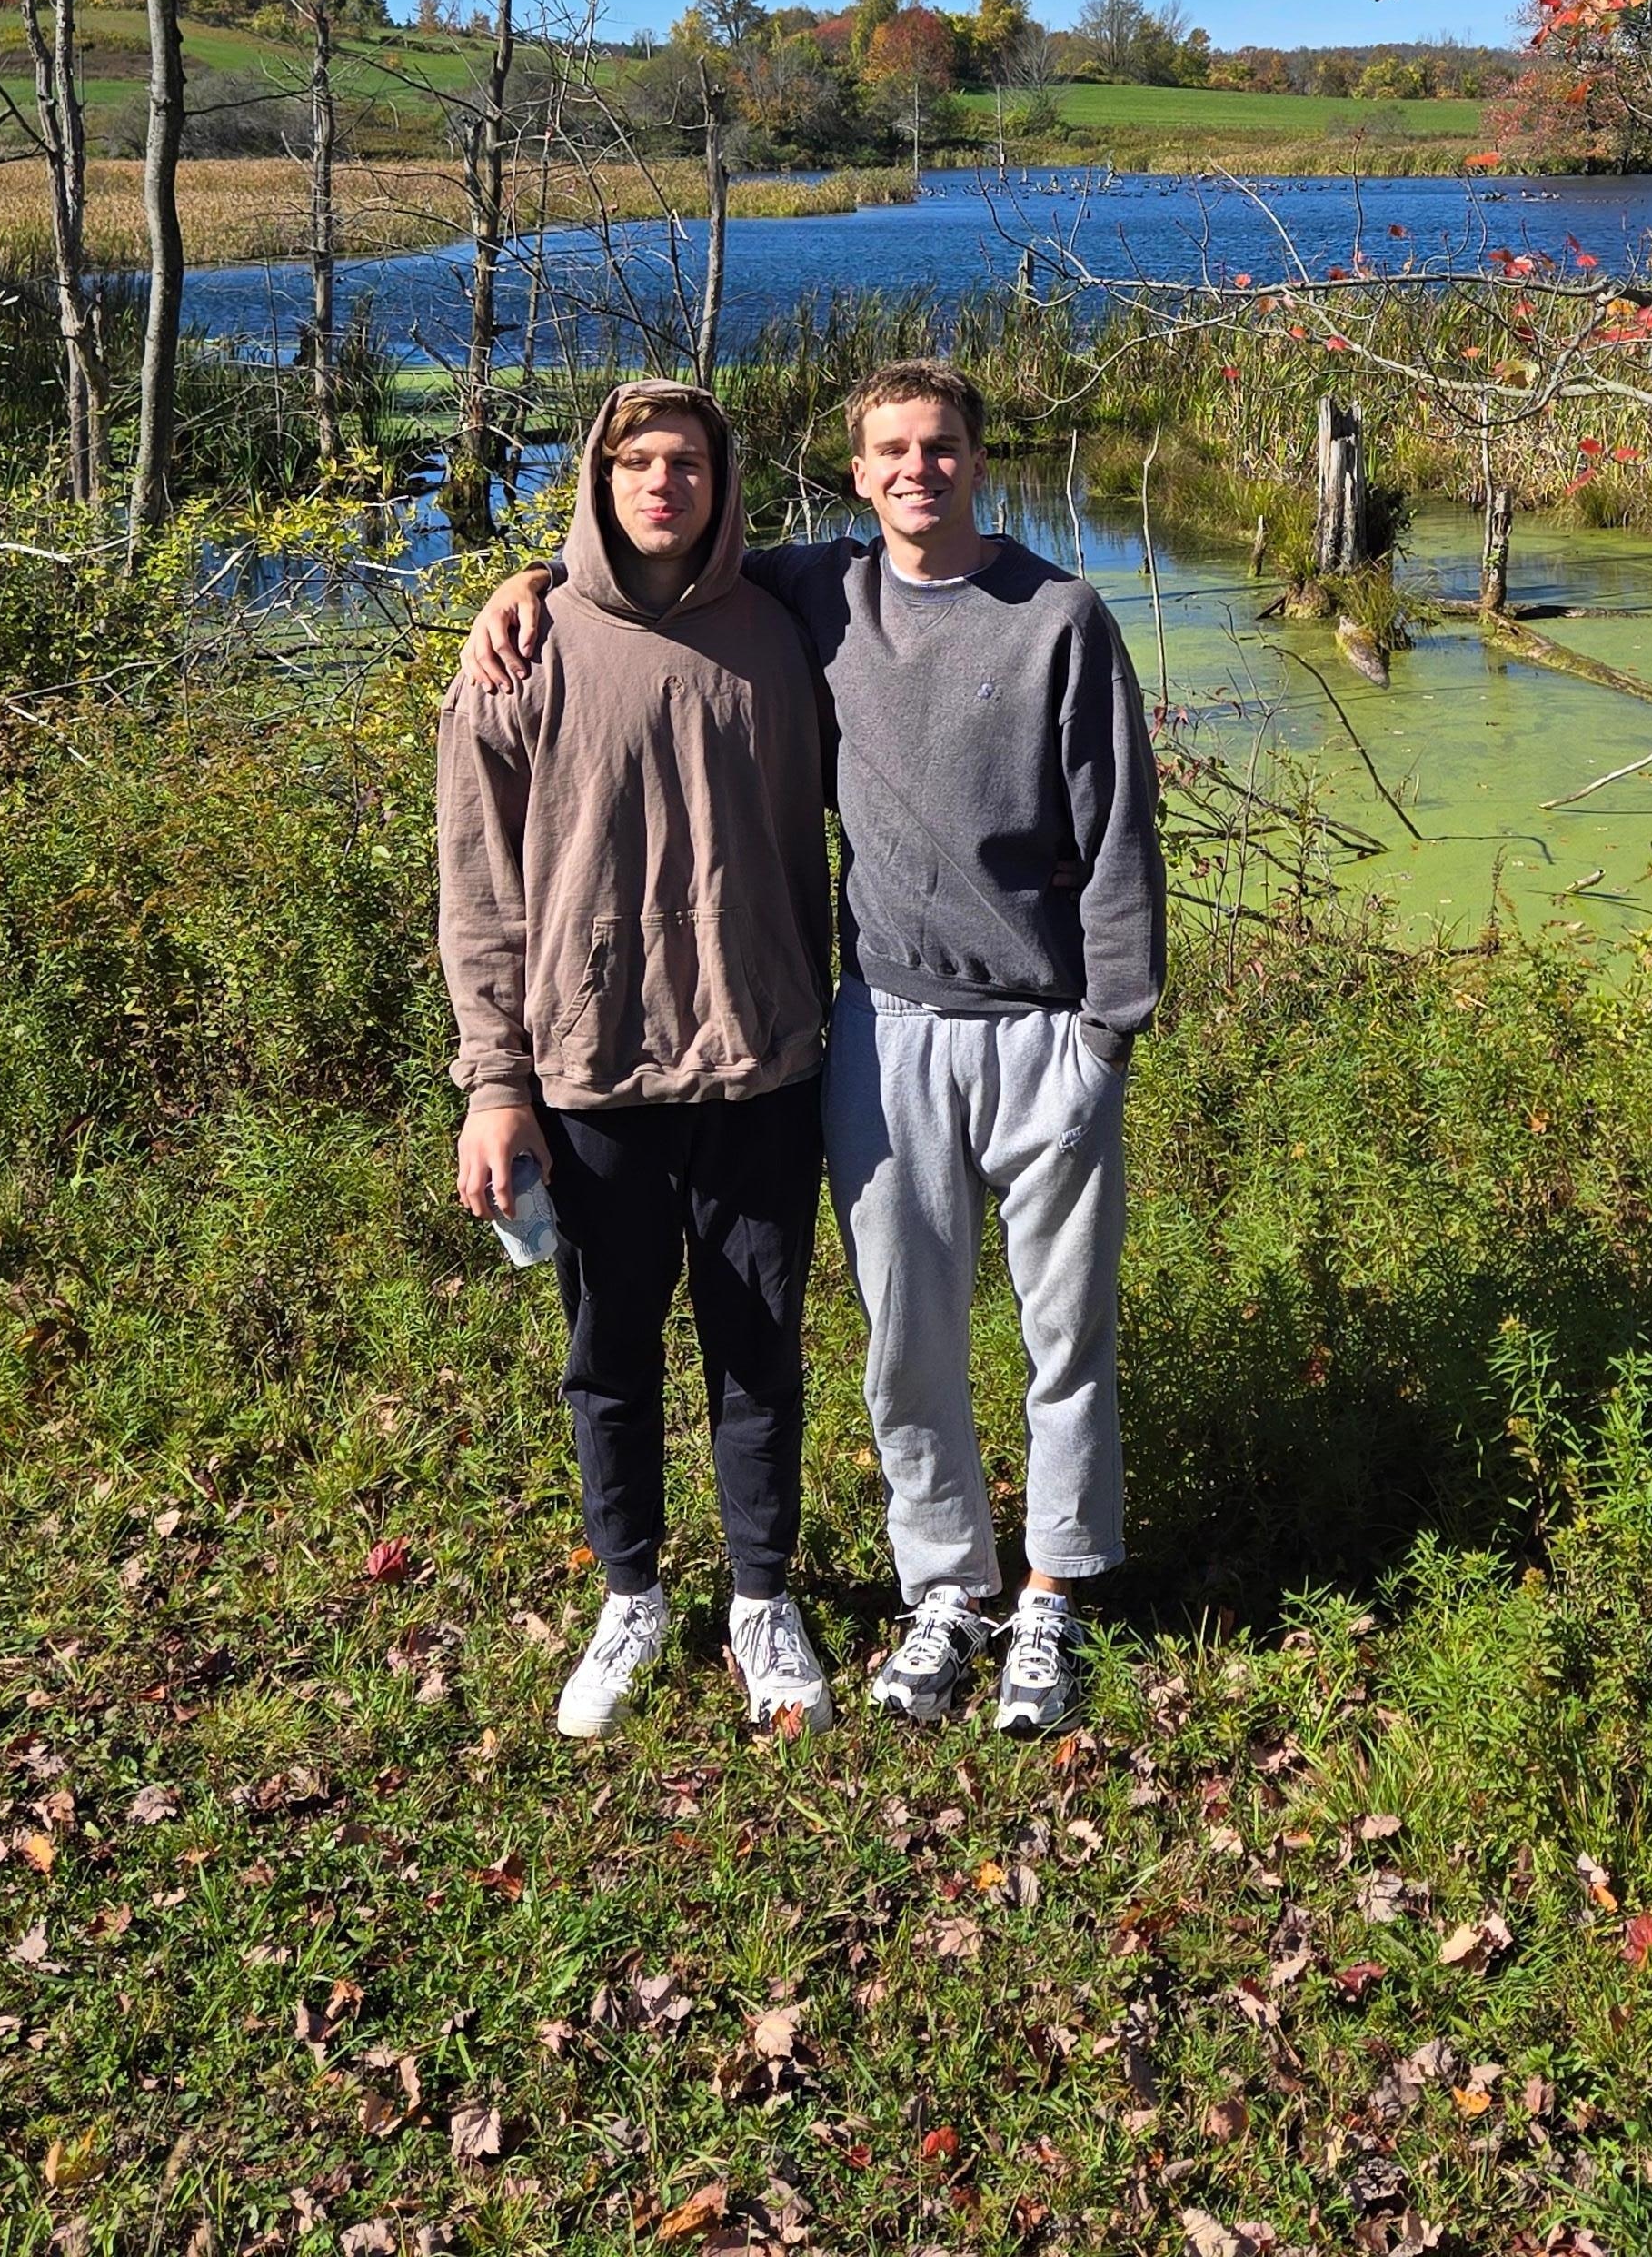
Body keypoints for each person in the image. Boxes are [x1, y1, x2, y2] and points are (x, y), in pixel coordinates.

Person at [460, 355, 1164, 1741]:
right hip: (853, 1034)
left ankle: (1044, 1596)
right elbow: (646, 572)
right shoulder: (788, 599)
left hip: (972, 1039)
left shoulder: (1024, 617)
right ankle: (932, 1592)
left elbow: (1123, 832)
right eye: (891, 448)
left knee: (1041, 1336)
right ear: (856, 476)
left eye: (943, 445)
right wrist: (530, 578)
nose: (919, 468)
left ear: (977, 456)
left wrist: (1108, 1034)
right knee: (891, 1339)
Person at [440, 379, 837, 1744]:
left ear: (725, 486)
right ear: (600, 479)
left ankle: (761, 1597)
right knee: (610, 1348)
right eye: (636, 462)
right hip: (590, 1068)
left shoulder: (786, 632)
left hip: (765, 1058)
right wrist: (495, 1084)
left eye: (688, 463)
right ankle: (632, 1593)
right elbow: (479, 888)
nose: (663, 483)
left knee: (758, 1346)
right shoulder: (522, 653)